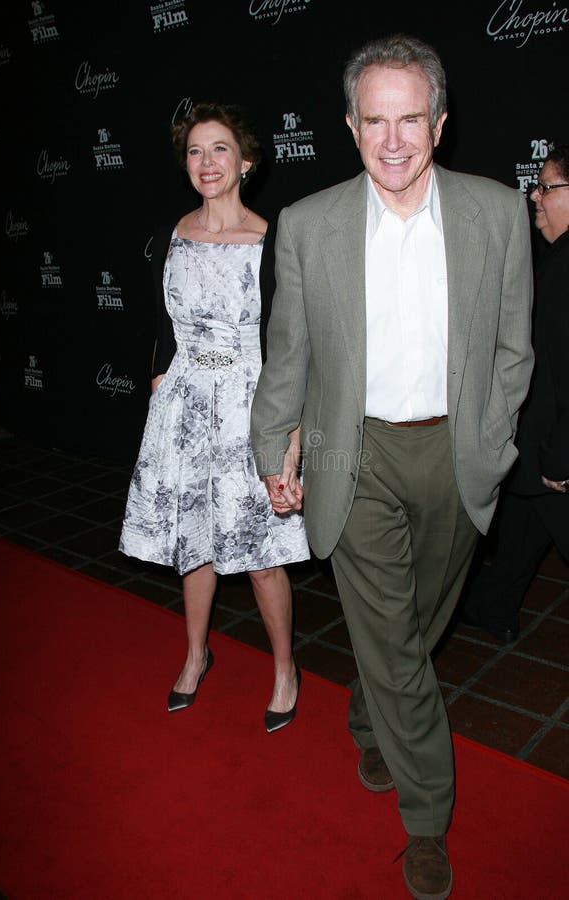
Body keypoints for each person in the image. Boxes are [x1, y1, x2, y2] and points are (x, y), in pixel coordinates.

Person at [250, 34, 533, 900]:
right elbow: (288, 354)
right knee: (397, 641)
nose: (395, 140)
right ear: (350, 125)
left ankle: (370, 706)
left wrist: (488, 443)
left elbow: (512, 352)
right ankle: (426, 818)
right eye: (376, 120)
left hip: (456, 451)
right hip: (354, 451)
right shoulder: (309, 225)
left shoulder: (495, 212)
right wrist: (275, 444)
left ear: (440, 124)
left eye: (412, 118)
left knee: (419, 619)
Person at [120, 101, 309, 733]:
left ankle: (285, 667)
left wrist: (290, 439)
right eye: (196, 151)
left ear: (246, 161)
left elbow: (290, 348)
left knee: (261, 553)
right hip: (184, 407)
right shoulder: (171, 235)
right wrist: (161, 384)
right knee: (190, 540)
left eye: (220, 149)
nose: (207, 162)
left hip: (252, 409)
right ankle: (197, 653)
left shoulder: (271, 240)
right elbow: (162, 327)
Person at [460, 144, 569, 643]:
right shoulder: (555, 260)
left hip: (556, 458)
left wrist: (559, 460)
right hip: (540, 455)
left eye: (547, 187)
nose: (535, 196)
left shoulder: (564, 269)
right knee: (524, 525)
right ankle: (492, 606)